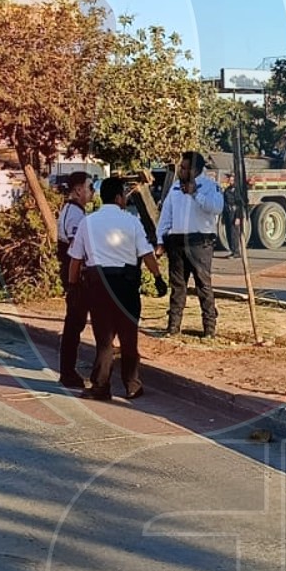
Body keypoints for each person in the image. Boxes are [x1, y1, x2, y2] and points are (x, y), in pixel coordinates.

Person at [68, 177, 167, 400]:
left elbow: (75, 260)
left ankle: (101, 386)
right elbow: (146, 254)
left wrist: (72, 287)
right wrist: (158, 278)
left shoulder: (88, 222)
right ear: (118, 197)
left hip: (98, 285)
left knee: (104, 339)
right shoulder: (131, 222)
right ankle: (132, 384)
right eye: (124, 194)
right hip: (126, 285)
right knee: (128, 336)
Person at [155, 150, 224, 337]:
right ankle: (173, 327)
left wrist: (196, 194)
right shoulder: (175, 188)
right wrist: (160, 239)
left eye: (185, 168)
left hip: (200, 242)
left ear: (196, 170)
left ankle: (209, 328)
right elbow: (166, 215)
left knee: (203, 285)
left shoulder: (210, 186)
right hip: (177, 241)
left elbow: (217, 207)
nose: (181, 171)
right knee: (177, 286)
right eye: (181, 167)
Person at [54, 171, 94, 389]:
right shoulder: (75, 215)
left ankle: (68, 371)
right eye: (90, 187)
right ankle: (68, 373)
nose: (91, 192)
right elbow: (75, 250)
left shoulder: (72, 211)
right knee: (74, 324)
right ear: (78, 189)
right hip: (76, 278)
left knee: (74, 323)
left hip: (74, 277)